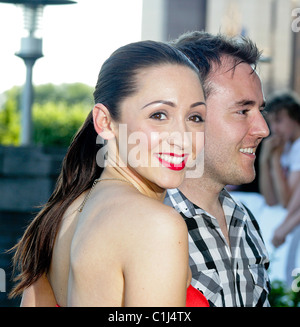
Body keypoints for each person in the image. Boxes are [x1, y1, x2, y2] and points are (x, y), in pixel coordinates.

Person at [10, 40, 209, 307]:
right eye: (159, 115)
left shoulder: (60, 216)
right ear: (105, 122)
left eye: (195, 117)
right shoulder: (155, 225)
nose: (183, 139)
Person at [164, 31, 271, 307]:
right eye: (243, 111)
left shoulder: (244, 218)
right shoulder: (144, 225)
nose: (263, 129)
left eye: (261, 110)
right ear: (190, 118)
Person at [259, 91, 300, 248]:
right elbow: (270, 200)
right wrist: (264, 160)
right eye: (271, 123)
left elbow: (286, 202)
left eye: (279, 121)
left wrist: (275, 160)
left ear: (295, 118)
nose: (274, 128)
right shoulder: (288, 146)